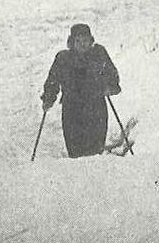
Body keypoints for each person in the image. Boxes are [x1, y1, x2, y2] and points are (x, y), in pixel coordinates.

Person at [41, 23, 121, 158]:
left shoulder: (99, 53)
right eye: (78, 41)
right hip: (72, 109)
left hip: (96, 109)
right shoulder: (63, 58)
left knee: (95, 151)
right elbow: (52, 81)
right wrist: (48, 98)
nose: (82, 44)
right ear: (71, 42)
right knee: (75, 151)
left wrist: (110, 86)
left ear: (91, 40)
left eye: (85, 40)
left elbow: (112, 75)